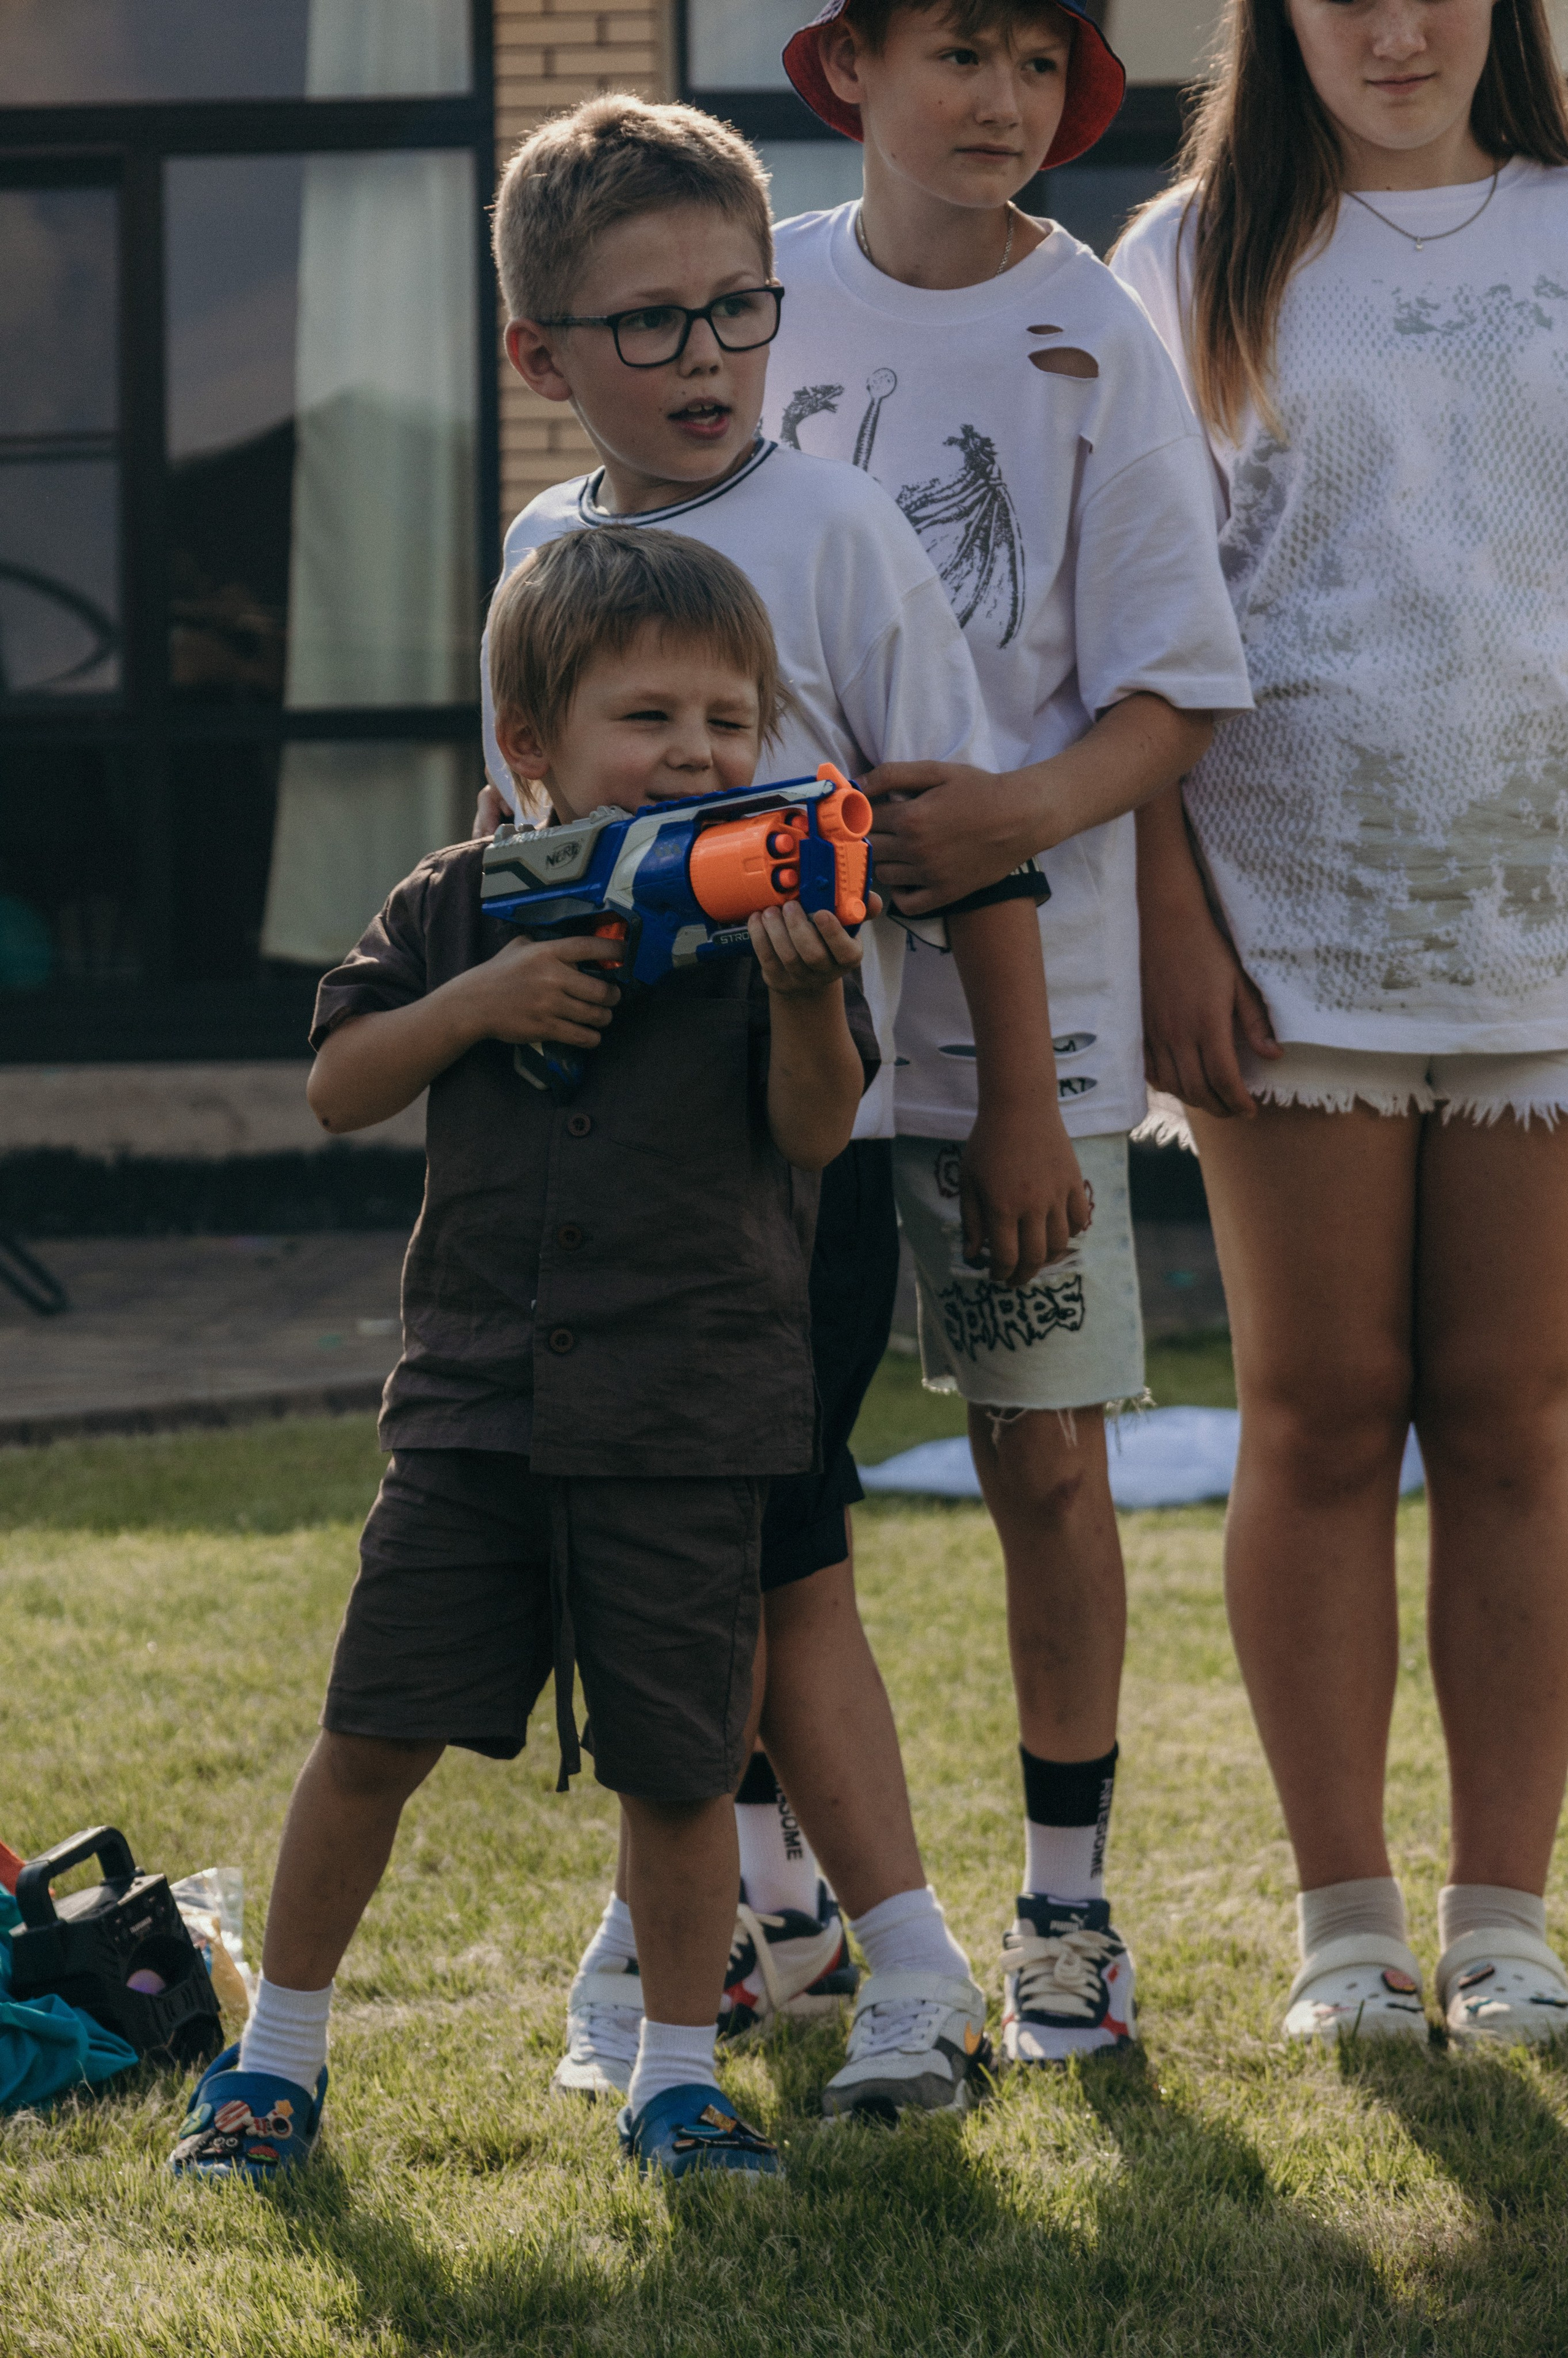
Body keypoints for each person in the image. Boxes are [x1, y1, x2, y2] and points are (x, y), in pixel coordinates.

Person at [480, 92, 1071, 2120]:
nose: (709, 356)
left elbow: (964, 843)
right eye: (646, 325)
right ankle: (731, 1932)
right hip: (601, 1165)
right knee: (706, 1548)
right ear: (540, 359)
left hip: (794, 1154)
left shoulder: (835, 531)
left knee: (769, 1547)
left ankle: (877, 1969)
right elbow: (512, 843)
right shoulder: (542, 553)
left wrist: (1011, 1115)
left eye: (737, 307)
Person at [169, 526, 877, 2186]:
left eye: (729, 719)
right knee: (370, 1734)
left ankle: (677, 2077)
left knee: (685, 1769)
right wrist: (478, 1001)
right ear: (531, 746)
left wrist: (800, 1002)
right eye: (651, 718)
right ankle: (274, 2061)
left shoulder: (769, 915)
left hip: (689, 1421)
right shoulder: (454, 903)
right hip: (479, 1410)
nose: (698, 752)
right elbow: (342, 1083)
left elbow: (820, 1133)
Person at [767, 0, 1253, 2061]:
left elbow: (1175, 682)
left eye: (1040, 70)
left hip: (1026, 1016)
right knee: (758, 1465)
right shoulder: (749, 293)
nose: (1004, 105)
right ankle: (772, 1903)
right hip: (774, 997)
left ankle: (1069, 1918)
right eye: (960, 53)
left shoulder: (1097, 338)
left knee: (1044, 1453)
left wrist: (1015, 817)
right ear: (852, 69)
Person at [1112, 0, 1568, 2045]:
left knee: (1518, 1423)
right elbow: (1122, 624)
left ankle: (1505, 1926)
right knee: (1315, 1413)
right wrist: (1165, 916)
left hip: (1548, 927)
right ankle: (1343, 1938)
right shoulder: (1188, 260)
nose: (1394, 27)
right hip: (1286, 932)